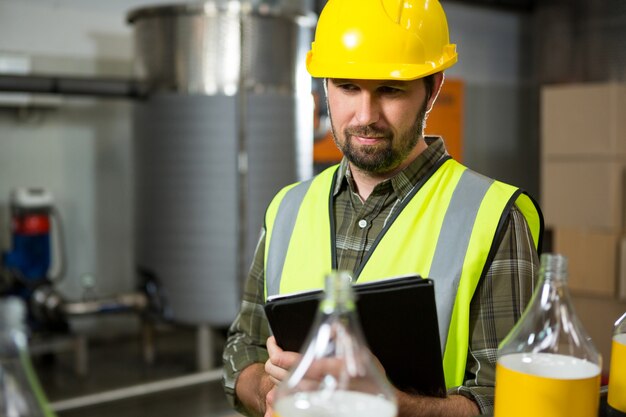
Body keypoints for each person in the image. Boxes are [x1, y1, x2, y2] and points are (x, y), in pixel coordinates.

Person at [222, 0, 543, 416]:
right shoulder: (287, 208)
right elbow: (239, 353)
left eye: (390, 90)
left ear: (434, 88)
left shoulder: (494, 216)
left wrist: (390, 403)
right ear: (325, 87)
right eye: (347, 87)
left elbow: (510, 402)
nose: (365, 115)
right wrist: (268, 386)